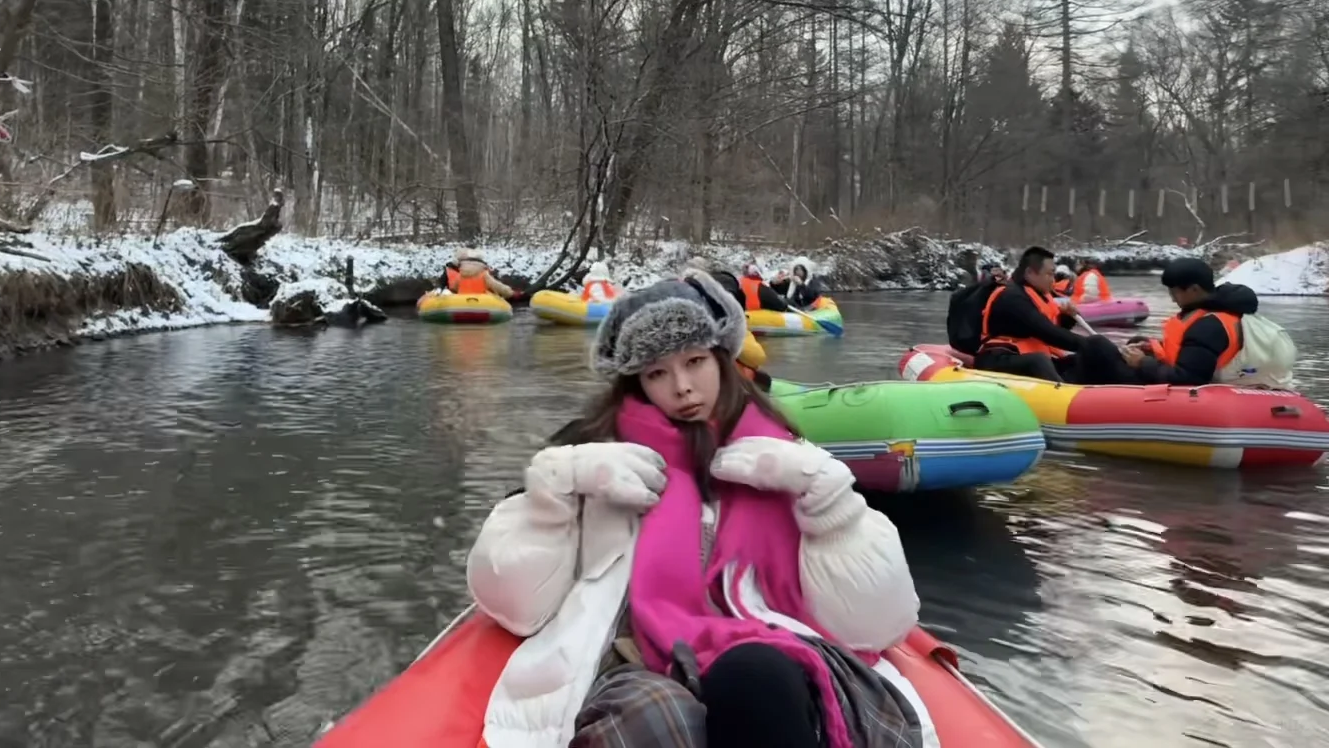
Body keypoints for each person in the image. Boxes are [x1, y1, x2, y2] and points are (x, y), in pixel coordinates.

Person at [467, 270, 923, 748]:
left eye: (695, 361)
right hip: (636, 654)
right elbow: (515, 607)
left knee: (754, 675)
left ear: (723, 359)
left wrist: (833, 511)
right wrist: (552, 496)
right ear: (636, 383)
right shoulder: (590, 456)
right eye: (657, 373)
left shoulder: (790, 454)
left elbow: (877, 625)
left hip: (774, 645)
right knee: (655, 717)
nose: (682, 387)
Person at [1116, 258, 1262, 386]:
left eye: (1174, 293)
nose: (1173, 299)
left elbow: (1188, 378)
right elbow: (1193, 350)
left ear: (1194, 289)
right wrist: (1152, 347)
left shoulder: (1209, 325)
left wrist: (1143, 362)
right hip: (1186, 378)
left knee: (1098, 347)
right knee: (1133, 341)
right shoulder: (1211, 312)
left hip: (1190, 389)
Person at [976, 246, 1099, 382]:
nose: (1053, 280)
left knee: (1080, 361)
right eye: (1049, 274)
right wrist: (1091, 345)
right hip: (998, 359)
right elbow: (1046, 332)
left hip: (1028, 357)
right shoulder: (1012, 297)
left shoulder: (1040, 295)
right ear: (1030, 273)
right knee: (1038, 360)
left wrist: (1067, 318)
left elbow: (1054, 329)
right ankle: (1061, 397)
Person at [449, 247, 516, 298]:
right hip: (481, 301)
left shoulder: (461, 274)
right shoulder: (484, 274)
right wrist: (509, 292)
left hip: (461, 301)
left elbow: (454, 288)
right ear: (481, 263)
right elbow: (496, 286)